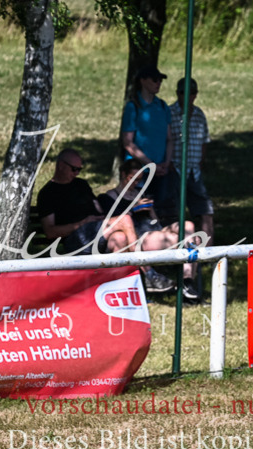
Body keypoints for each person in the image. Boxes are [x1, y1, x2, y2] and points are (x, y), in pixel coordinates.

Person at [36, 149, 174, 292]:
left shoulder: (81, 184)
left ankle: (125, 290)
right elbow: (50, 232)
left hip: (96, 230)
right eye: (74, 169)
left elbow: (98, 209)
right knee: (125, 219)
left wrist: (103, 217)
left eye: (79, 169)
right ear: (60, 165)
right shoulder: (48, 193)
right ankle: (149, 273)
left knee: (119, 238)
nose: (76, 173)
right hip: (77, 238)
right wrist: (81, 224)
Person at [98, 159, 202, 302]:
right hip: (136, 235)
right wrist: (133, 208)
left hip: (153, 228)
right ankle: (186, 286)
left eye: (139, 180)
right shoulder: (109, 197)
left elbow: (154, 221)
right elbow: (115, 221)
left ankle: (187, 281)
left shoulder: (141, 192)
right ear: (123, 174)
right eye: (132, 179)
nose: (135, 183)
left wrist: (150, 210)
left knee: (188, 226)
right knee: (187, 241)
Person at [120, 65, 173, 214]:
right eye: (155, 80)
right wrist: (150, 164)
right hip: (139, 170)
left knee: (160, 209)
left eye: (160, 81)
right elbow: (128, 142)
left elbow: (170, 139)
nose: (158, 84)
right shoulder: (133, 107)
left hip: (161, 170)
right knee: (139, 209)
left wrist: (166, 163)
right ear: (143, 81)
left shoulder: (162, 106)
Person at [168, 77, 214, 244]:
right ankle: (179, 250)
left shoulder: (199, 114)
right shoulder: (169, 112)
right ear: (177, 94)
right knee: (176, 212)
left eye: (192, 93)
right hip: (175, 169)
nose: (188, 97)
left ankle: (208, 253)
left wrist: (202, 161)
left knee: (206, 211)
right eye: (183, 93)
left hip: (194, 172)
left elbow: (204, 140)